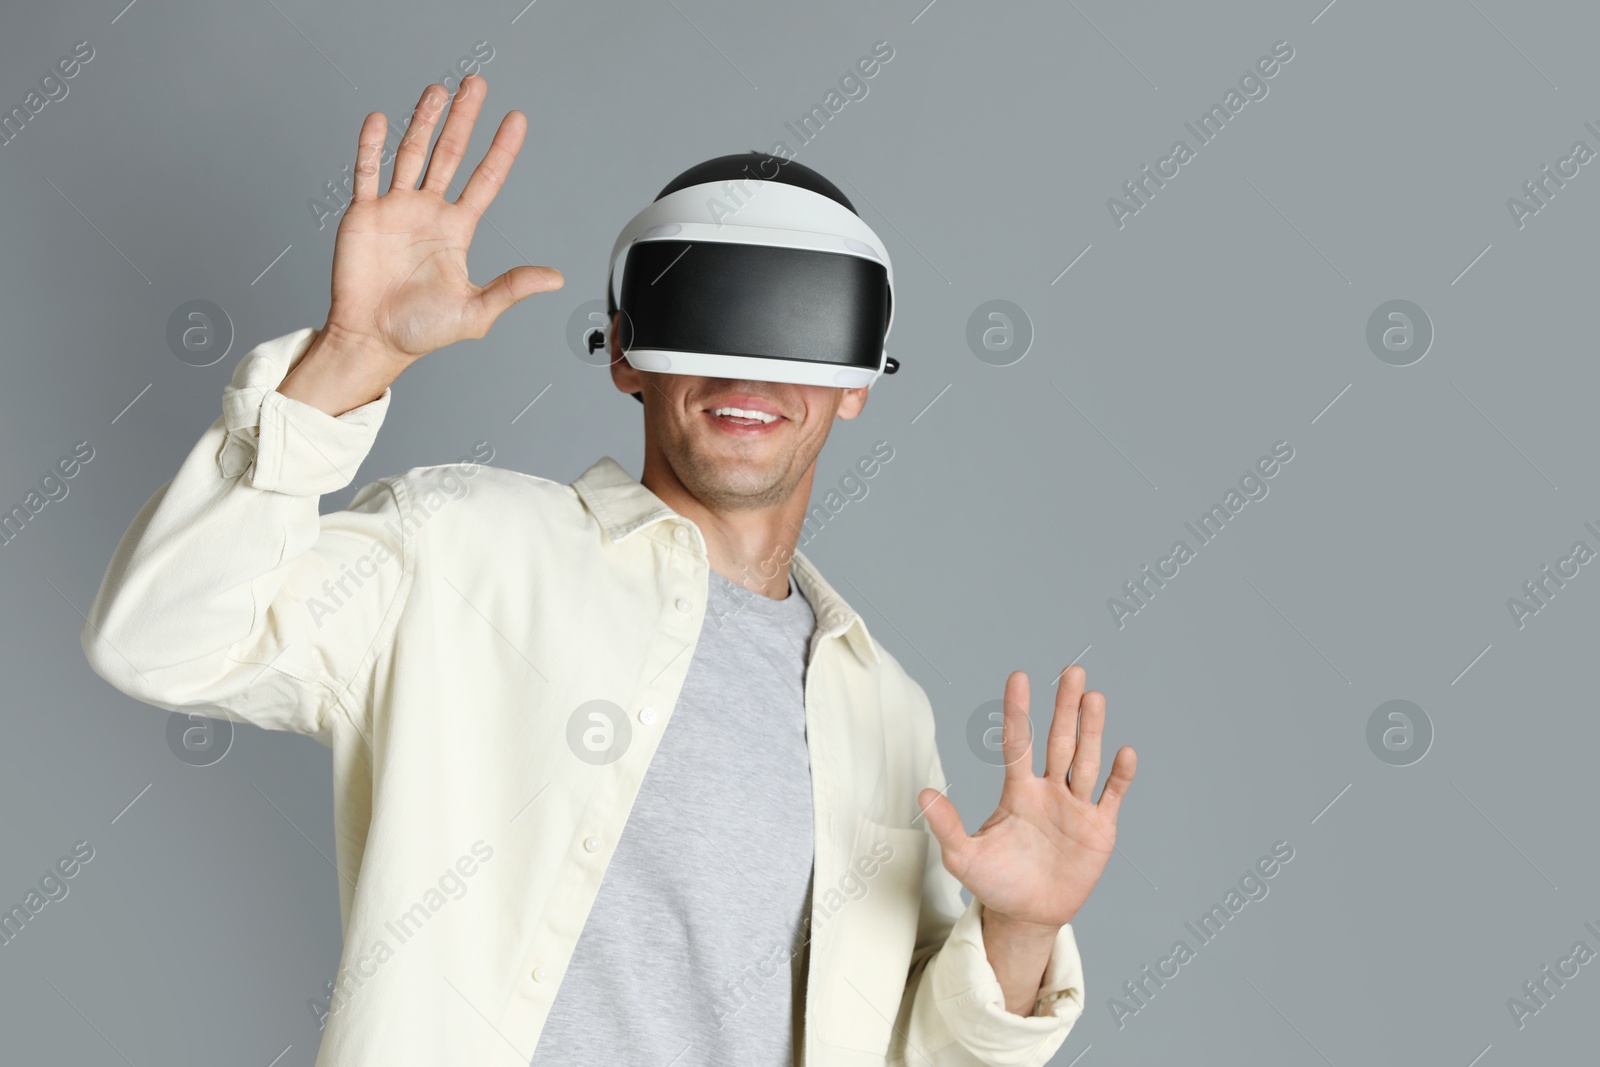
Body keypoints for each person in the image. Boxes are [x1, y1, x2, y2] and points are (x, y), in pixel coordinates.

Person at [79, 74, 1136, 1067]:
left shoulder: (882, 709)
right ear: (625, 351)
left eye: (801, 326)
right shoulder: (462, 546)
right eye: (702, 313)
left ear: (857, 380)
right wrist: (342, 367)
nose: (747, 369)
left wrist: (1023, 927)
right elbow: (162, 642)